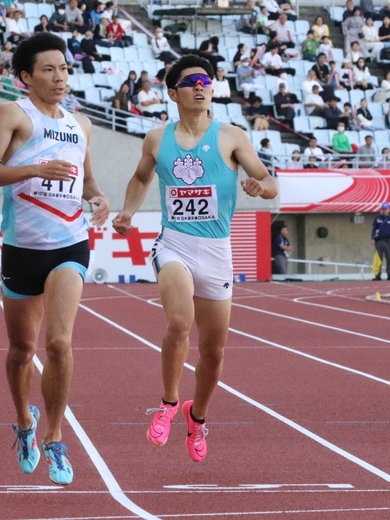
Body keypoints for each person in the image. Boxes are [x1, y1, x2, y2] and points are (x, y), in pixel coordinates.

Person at [111, 55, 278, 463]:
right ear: (173, 94)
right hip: (175, 244)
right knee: (179, 322)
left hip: (217, 251)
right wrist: (129, 211)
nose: (201, 86)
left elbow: (269, 180)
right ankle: (169, 403)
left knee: (214, 352)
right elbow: (140, 177)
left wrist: (261, 187)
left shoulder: (232, 137)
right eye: (191, 82)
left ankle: (197, 417)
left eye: (206, 80)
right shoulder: (157, 138)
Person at [0, 32, 109, 485]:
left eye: (65, 69)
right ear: (26, 77)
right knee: (20, 351)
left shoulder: (80, 124)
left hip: (70, 243)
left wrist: (99, 199)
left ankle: (54, 436)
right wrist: (33, 168)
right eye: (48, 69)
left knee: (60, 343)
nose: (59, 77)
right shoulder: (12, 114)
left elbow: (87, 182)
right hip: (22, 248)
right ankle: (26, 423)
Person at [371, 202, 390, 281]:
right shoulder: (378, 219)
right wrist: (372, 238)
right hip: (379, 241)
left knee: (389, 259)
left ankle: (389, 275)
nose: (385, 211)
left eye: (386, 209)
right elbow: (374, 229)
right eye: (383, 209)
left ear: (389, 209)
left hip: (388, 241)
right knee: (379, 259)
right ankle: (377, 275)